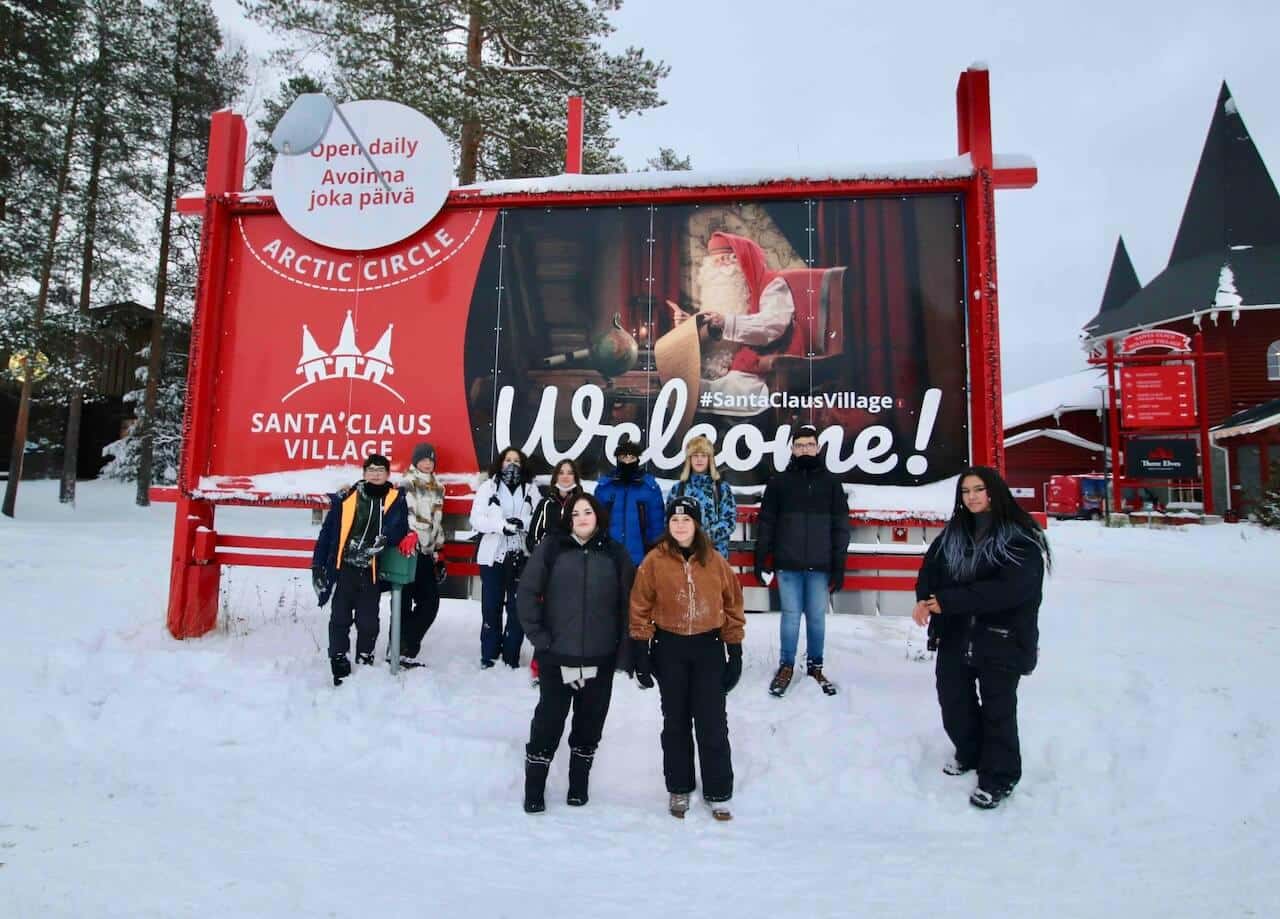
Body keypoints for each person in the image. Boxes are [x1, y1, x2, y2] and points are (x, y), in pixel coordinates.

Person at [911, 466, 1050, 810]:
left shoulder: (1020, 538)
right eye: (965, 491)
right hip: (957, 634)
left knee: (998, 710)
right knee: (953, 701)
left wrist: (951, 601)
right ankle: (970, 752)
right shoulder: (954, 533)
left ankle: (998, 777)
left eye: (978, 489)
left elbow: (1009, 590)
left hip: (1001, 638)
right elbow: (931, 568)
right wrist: (923, 598)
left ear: (994, 492)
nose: (971, 497)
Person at [516, 494, 635, 813]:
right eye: (576, 513)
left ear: (598, 517)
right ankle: (534, 788)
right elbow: (527, 592)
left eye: (588, 512)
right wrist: (540, 638)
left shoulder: (615, 554)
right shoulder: (552, 549)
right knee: (549, 721)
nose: (582, 517)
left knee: (590, 723)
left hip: (600, 657)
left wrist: (623, 649)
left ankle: (578, 786)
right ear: (568, 519)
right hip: (558, 657)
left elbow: (629, 605)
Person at [629, 497, 746, 820]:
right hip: (670, 649)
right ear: (668, 525)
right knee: (676, 722)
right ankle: (679, 787)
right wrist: (642, 650)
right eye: (674, 521)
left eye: (686, 520)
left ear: (696, 524)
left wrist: (733, 651)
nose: (680, 526)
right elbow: (640, 606)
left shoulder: (715, 562)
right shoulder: (654, 561)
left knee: (712, 723)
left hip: (708, 649)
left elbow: (733, 605)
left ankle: (718, 790)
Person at [754, 423, 850, 697]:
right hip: (788, 563)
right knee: (791, 618)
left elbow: (841, 526)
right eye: (800, 445)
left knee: (817, 619)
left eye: (810, 444)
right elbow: (767, 523)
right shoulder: (779, 483)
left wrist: (839, 564)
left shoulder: (831, 483)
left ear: (818, 448)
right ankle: (786, 666)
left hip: (820, 565)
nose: (805, 449)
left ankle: (815, 666)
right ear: (792, 450)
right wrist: (762, 558)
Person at [312, 453, 411, 686]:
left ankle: (364, 657)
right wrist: (317, 566)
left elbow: (400, 529)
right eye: (371, 470)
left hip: (371, 568)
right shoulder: (347, 498)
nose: (376, 474)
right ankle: (338, 659)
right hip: (345, 566)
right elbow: (327, 534)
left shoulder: (395, 499)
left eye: (380, 470)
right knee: (340, 616)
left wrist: (385, 539)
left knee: (368, 621)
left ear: (387, 474)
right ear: (364, 473)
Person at [469, 446, 535, 669]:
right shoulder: (488, 487)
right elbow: (476, 519)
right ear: (501, 463)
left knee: (517, 609)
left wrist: (522, 524)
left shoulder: (530, 489)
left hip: (521, 557)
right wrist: (500, 526)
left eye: (517, 460)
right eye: (508, 459)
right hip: (493, 556)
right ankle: (489, 654)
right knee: (491, 607)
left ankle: (511, 655)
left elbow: (539, 518)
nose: (512, 464)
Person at [525, 458, 585, 686]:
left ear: (575, 477)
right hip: (549, 574)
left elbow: (593, 533)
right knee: (547, 620)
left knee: (573, 620)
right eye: (562, 472)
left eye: (570, 472)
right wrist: (545, 554)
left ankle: (573, 667)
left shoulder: (583, 503)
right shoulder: (546, 504)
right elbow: (532, 539)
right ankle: (540, 668)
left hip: (577, 571)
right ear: (555, 477)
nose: (566, 476)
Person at [397, 442, 446, 668]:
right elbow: (404, 514)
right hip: (408, 550)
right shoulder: (406, 483)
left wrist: (439, 550)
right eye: (424, 459)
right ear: (416, 461)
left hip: (426, 553)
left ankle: (407, 644)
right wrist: (409, 536)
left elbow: (437, 522)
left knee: (430, 603)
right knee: (403, 602)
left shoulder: (437, 487)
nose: (427, 463)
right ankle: (397, 650)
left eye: (431, 460)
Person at [594, 435, 665, 565]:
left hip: (641, 560)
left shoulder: (650, 488)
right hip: (609, 559)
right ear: (617, 459)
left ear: (638, 460)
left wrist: (654, 557)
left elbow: (657, 528)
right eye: (623, 457)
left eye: (631, 458)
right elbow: (595, 525)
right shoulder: (604, 488)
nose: (627, 462)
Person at [667, 435, 736, 558]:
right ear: (689, 459)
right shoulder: (678, 489)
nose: (699, 459)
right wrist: (686, 537)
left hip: (714, 554)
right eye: (695, 455)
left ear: (710, 459)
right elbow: (668, 521)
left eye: (703, 456)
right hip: (684, 554)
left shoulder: (721, 488)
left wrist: (703, 537)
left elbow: (729, 521)